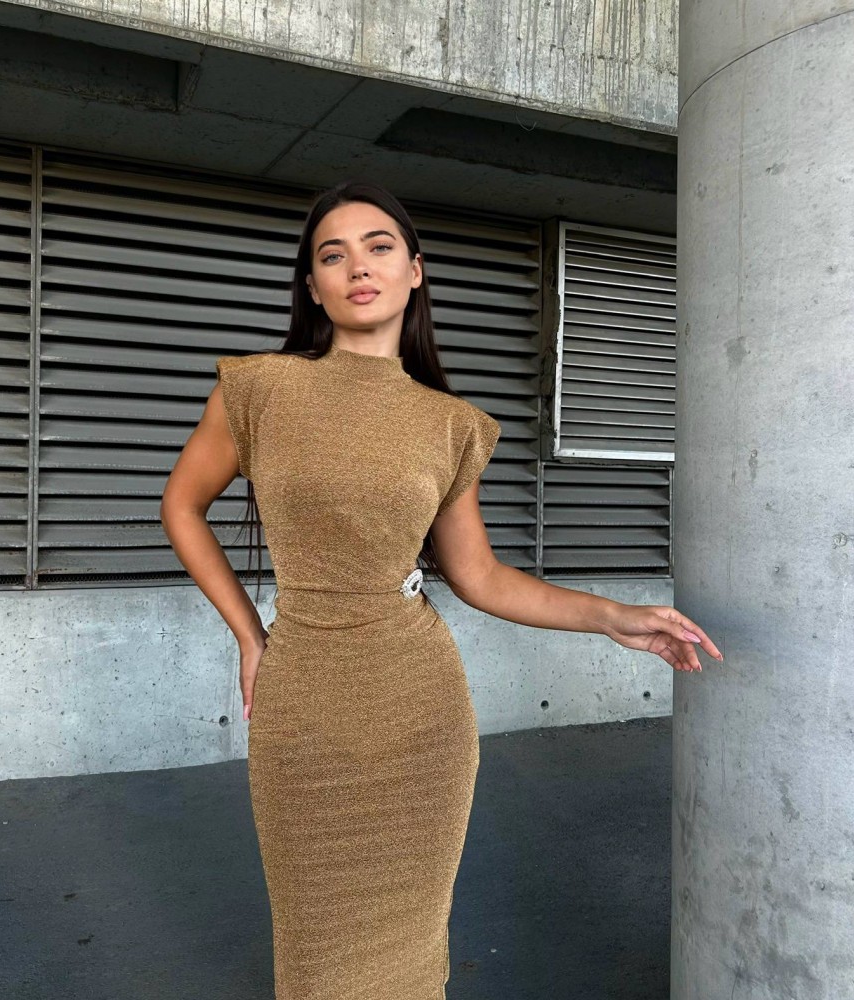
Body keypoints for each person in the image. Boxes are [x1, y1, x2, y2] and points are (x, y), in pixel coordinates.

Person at [159, 180, 722, 999]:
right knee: (315, 948)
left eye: (379, 247)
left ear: (415, 271)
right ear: (311, 286)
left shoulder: (450, 423)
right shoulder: (258, 390)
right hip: (303, 700)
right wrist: (250, 636)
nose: (359, 267)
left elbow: (479, 575)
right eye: (333, 255)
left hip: (421, 710)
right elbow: (181, 506)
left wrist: (613, 617)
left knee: (411, 947)